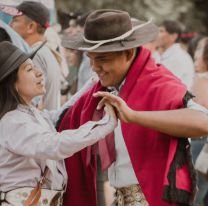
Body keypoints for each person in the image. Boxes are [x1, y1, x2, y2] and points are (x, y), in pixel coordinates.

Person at [59, 9, 208, 206]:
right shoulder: (102, 87)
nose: (94, 66)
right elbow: (65, 117)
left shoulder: (157, 82)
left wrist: (134, 116)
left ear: (129, 53)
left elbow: (203, 121)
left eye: (102, 59)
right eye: (91, 58)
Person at [0, 41, 117, 206]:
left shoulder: (30, 115)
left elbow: (62, 114)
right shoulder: (12, 122)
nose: (40, 73)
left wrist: (92, 84)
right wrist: (105, 124)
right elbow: (54, 144)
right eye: (29, 69)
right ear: (12, 83)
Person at [4, 1, 62, 110]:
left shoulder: (35, 55)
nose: (10, 25)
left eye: (15, 20)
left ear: (31, 27)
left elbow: (33, 103)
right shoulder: (45, 52)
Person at [191, 37, 208, 206]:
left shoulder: (202, 80)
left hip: (201, 144)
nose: (196, 53)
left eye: (200, 49)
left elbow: (198, 112)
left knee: (193, 197)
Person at [156, 20, 194, 89]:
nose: (157, 34)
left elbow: (165, 86)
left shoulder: (179, 58)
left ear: (173, 36)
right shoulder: (165, 55)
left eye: (161, 31)